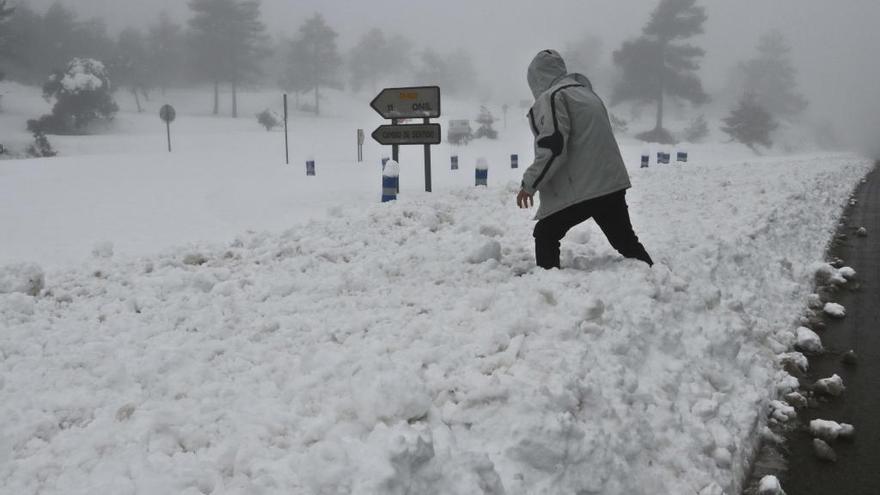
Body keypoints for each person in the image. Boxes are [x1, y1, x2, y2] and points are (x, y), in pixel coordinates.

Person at [516, 49, 653, 269]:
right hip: (611, 183)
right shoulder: (588, 95)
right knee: (625, 241)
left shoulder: (553, 97)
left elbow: (553, 146)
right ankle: (654, 276)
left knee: (545, 233)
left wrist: (530, 184)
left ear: (536, 78)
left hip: (588, 187)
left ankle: (546, 285)